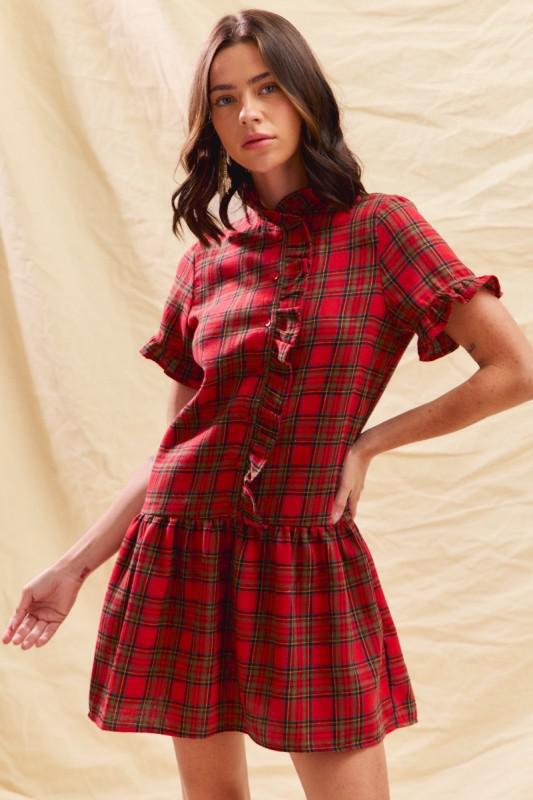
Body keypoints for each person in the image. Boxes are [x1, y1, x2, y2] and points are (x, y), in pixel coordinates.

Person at [3, 9, 533, 800]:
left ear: (304, 98)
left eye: (268, 88)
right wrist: (74, 565)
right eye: (223, 99)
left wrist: (365, 445)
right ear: (209, 124)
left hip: (301, 557)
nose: (247, 113)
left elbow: (514, 369)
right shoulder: (204, 266)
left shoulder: (381, 228)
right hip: (185, 550)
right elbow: (180, 447)